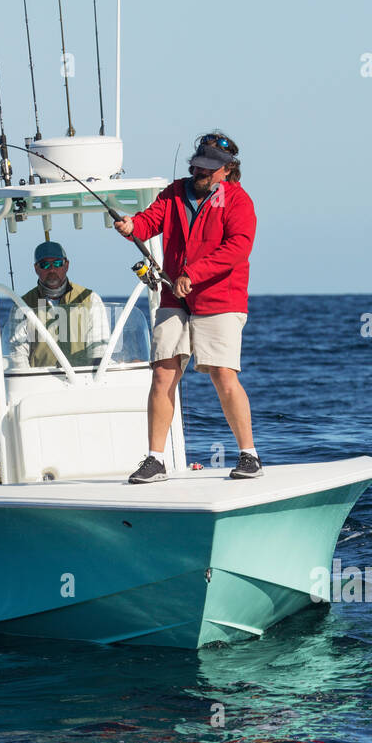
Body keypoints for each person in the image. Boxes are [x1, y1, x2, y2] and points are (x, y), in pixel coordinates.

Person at [114, 132, 262, 482]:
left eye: (209, 168)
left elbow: (238, 248)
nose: (200, 172)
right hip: (173, 296)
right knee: (163, 371)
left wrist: (193, 274)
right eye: (198, 165)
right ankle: (155, 459)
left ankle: (249, 455)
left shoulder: (240, 202)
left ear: (227, 170)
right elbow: (152, 220)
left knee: (222, 373)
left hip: (220, 298)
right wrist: (133, 224)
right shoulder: (175, 192)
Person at [3, 240, 110, 371]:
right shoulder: (22, 305)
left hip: (84, 380)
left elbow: (99, 346)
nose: (52, 269)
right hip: (41, 383)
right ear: (36, 268)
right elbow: (17, 354)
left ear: (66, 265)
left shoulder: (90, 299)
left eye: (58, 263)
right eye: (45, 265)